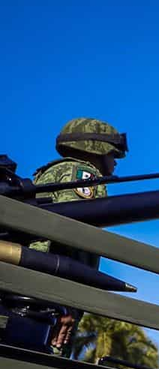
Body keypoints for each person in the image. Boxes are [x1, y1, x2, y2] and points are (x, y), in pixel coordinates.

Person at [30, 117, 128, 354]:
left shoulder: (55, 172)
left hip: (40, 296)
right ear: (97, 149)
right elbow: (67, 238)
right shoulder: (81, 173)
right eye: (113, 155)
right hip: (48, 303)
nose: (115, 162)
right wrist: (61, 305)